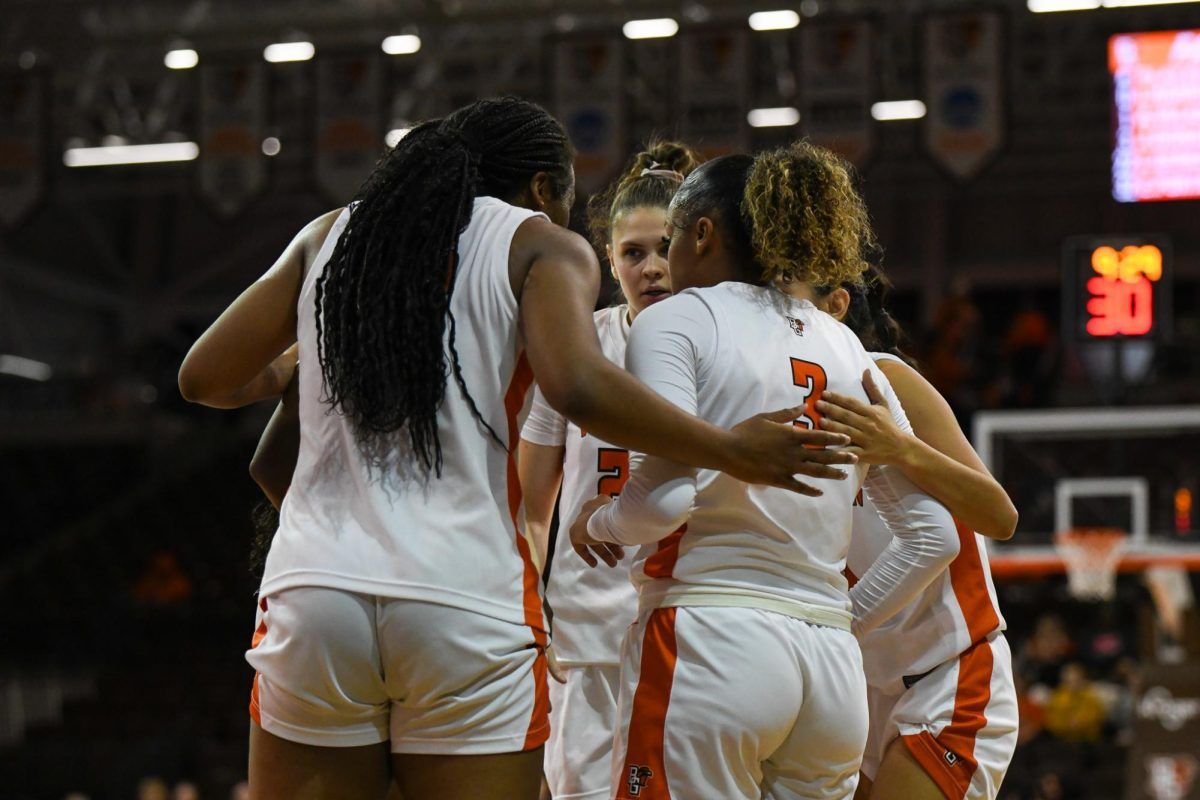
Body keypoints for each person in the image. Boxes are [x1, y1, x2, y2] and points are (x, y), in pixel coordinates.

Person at [177, 97, 855, 800]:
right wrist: (728, 448)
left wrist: (298, 367)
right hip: (462, 597)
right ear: (540, 189)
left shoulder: (333, 237)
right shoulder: (536, 242)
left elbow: (206, 379)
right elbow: (580, 390)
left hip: (315, 594)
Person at [570, 142, 959, 800]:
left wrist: (599, 520)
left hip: (710, 639)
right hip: (830, 670)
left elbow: (665, 504)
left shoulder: (675, 320)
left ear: (701, 233)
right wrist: (835, 616)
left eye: (668, 242)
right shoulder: (844, 344)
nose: (662, 263)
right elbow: (934, 535)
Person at [518, 140, 701, 800]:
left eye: (664, 249)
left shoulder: (723, 344)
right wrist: (535, 613)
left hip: (693, 626)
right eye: (633, 253)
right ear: (609, 260)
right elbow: (532, 502)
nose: (651, 268)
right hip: (589, 631)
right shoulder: (578, 346)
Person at [801, 270, 1019, 800]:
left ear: (834, 305)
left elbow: (1000, 515)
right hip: (864, 685)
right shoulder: (782, 399)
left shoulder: (885, 378)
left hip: (950, 672)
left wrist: (900, 448)